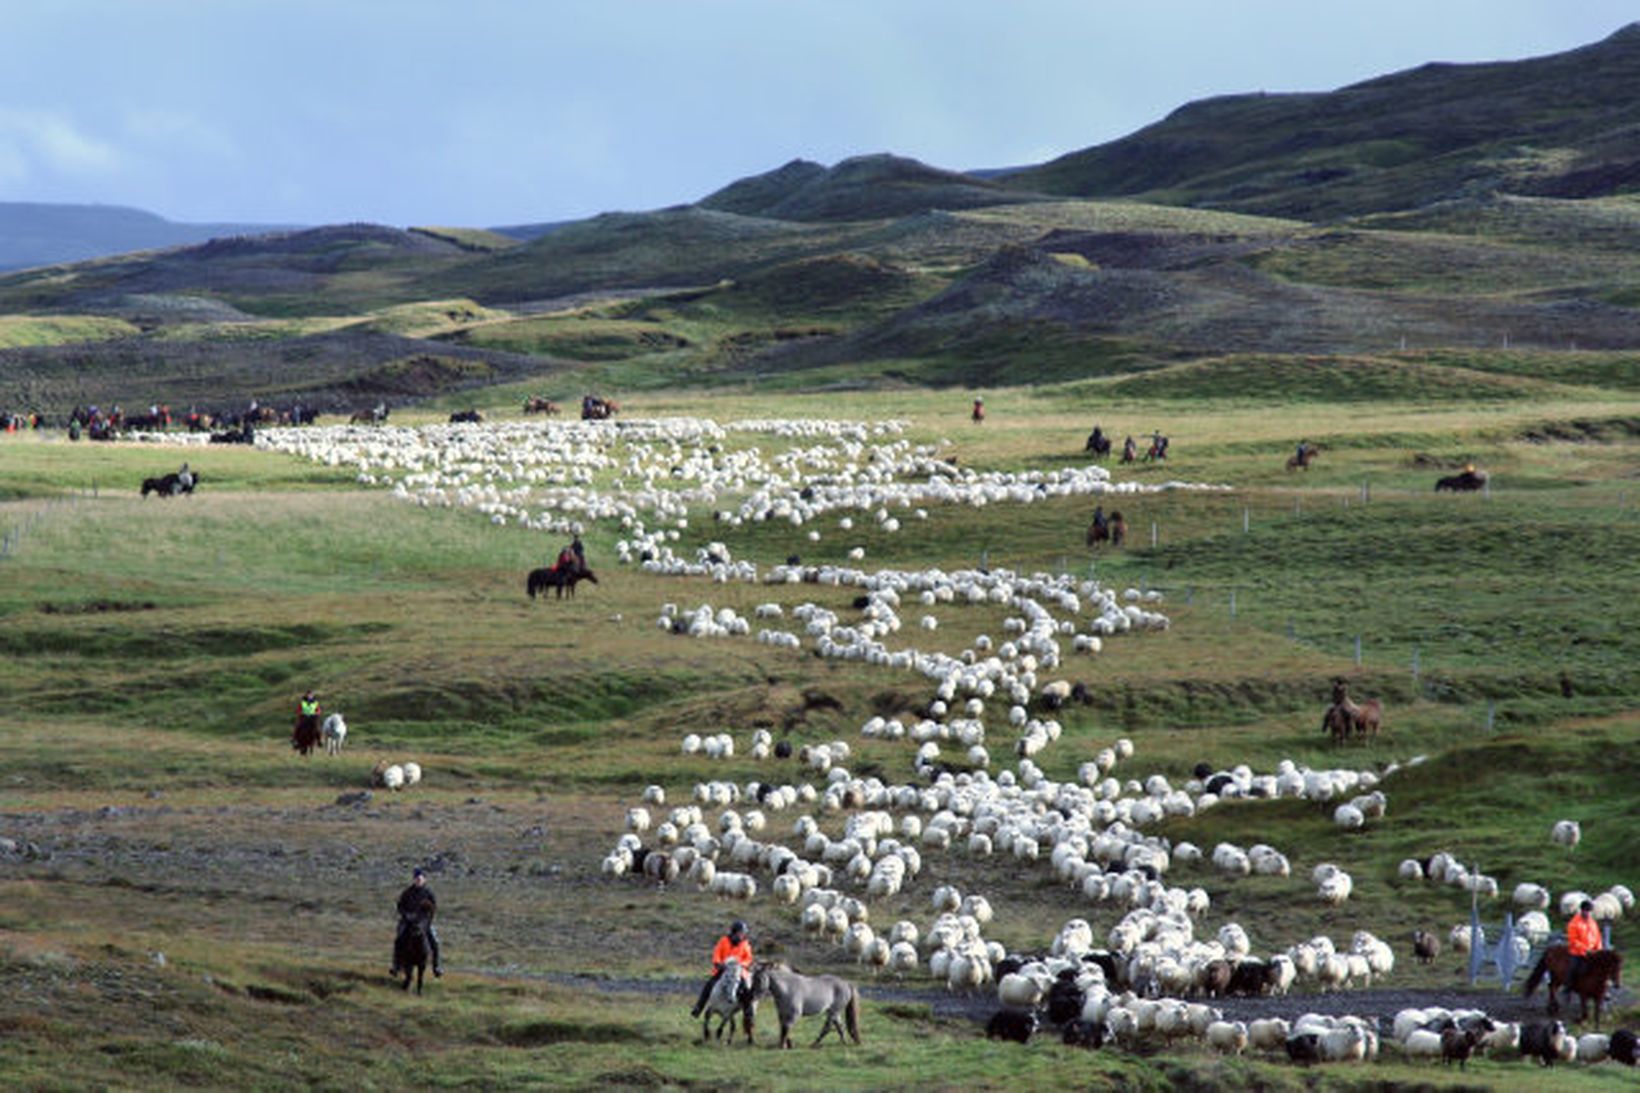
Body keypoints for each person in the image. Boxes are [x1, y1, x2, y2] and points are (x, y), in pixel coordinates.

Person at [690, 919, 753, 1017]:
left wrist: (741, 965)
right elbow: (717, 953)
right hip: (723, 969)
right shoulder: (723, 941)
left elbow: (748, 958)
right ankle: (698, 1008)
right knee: (709, 985)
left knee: (745, 988)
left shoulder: (745, 944)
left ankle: (748, 1011)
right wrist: (718, 963)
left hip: (738, 971)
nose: (742, 935)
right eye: (741, 933)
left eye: (743, 933)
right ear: (734, 932)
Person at [392, 867, 443, 977]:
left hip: (424, 922)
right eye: (416, 879)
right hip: (408, 921)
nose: (418, 881)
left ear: (424, 879)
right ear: (414, 879)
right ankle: (396, 965)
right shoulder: (407, 892)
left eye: (420, 879)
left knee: (435, 941)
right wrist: (406, 915)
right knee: (399, 939)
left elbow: (433, 908)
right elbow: (400, 906)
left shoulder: (429, 893)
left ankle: (436, 966)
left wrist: (427, 920)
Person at [1563, 898, 1603, 1003]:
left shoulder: (1592, 922)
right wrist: (1586, 949)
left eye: (1589, 911)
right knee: (1573, 968)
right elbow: (1573, 940)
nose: (1588, 913)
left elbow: (1597, 936)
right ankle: (1568, 989)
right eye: (1586, 911)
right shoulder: (1573, 923)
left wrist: (1598, 949)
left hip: (1593, 952)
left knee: (1602, 968)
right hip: (1577, 952)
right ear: (1582, 910)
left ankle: (1602, 989)